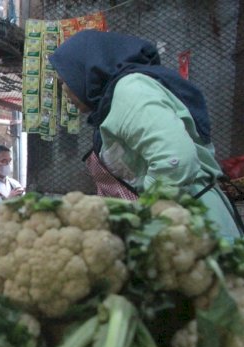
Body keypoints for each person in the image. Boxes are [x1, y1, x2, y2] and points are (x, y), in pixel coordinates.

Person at [50, 30, 242, 238]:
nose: (65, 92)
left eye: (64, 82)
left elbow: (175, 160)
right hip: (177, 219)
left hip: (194, 225)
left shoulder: (130, 91)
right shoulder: (113, 102)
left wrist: (141, 214)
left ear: (85, 71)